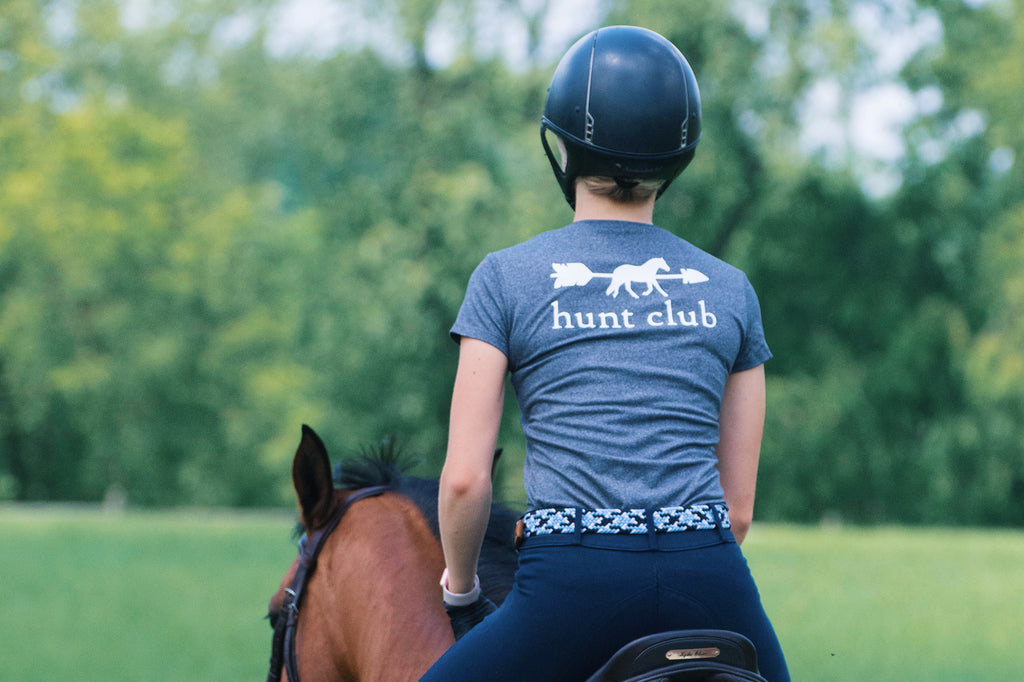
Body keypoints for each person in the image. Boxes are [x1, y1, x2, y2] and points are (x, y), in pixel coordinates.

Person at [420, 25, 790, 682]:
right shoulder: (731, 289)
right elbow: (736, 511)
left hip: (571, 580)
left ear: (561, 146)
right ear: (677, 158)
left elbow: (465, 481)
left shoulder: (506, 278)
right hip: (711, 576)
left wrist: (461, 589)